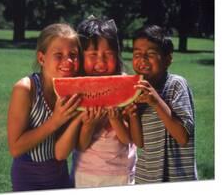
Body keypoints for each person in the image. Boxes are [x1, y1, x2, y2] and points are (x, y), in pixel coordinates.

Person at [7, 23, 84, 191]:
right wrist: (54, 122)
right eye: (59, 55)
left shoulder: (74, 91)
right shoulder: (26, 89)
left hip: (61, 176)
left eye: (73, 54)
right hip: (28, 180)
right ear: (42, 58)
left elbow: (63, 151)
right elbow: (15, 148)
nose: (68, 61)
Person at [123, 25, 198, 183]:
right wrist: (133, 115)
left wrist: (156, 101)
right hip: (146, 179)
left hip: (178, 179)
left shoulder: (176, 85)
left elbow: (183, 137)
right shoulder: (137, 90)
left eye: (150, 54)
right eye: (137, 54)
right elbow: (138, 142)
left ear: (168, 59)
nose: (142, 59)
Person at [71, 16, 137, 188]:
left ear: (117, 55)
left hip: (121, 174)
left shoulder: (125, 84)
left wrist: (115, 120)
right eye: (93, 55)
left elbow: (127, 139)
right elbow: (80, 144)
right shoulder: (76, 87)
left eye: (108, 54)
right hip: (85, 173)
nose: (100, 62)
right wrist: (89, 125)